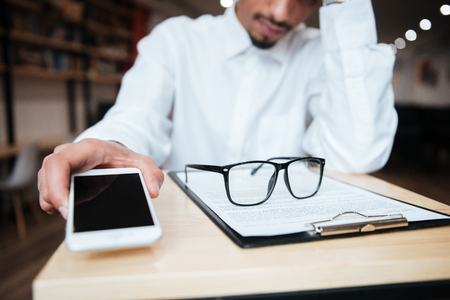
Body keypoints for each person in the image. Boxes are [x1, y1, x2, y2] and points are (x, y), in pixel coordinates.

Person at [38, 0, 398, 219]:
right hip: (184, 243)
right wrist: (109, 144)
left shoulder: (320, 53)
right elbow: (138, 115)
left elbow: (357, 154)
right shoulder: (176, 39)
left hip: (281, 252)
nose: (281, 12)